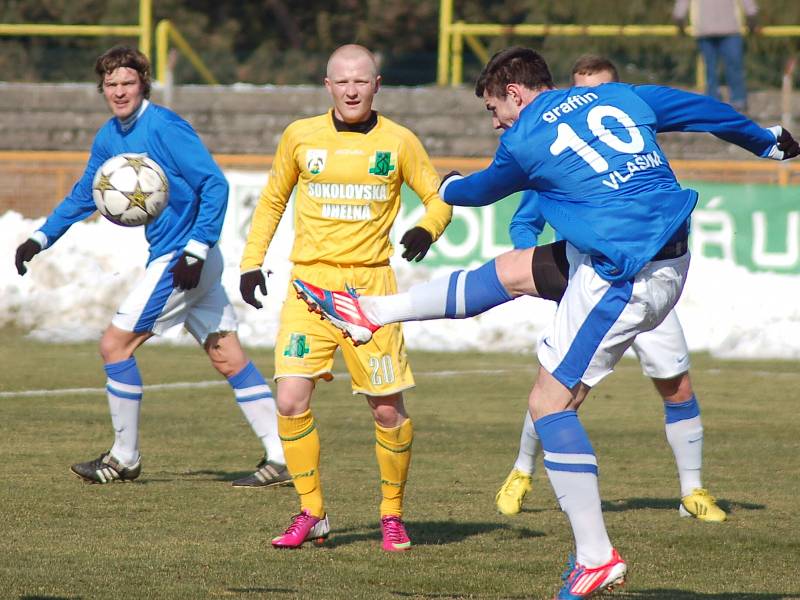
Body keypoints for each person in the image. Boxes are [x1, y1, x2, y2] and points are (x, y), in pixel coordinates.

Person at [293, 47, 797, 597]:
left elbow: (482, 191)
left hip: (623, 276)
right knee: (513, 271)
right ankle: (373, 312)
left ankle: (596, 556)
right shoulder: (615, 96)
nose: (495, 122)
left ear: (515, 92)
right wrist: (765, 139)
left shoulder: (526, 137)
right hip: (654, 253)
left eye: (493, 110)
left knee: (548, 404)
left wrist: (449, 186)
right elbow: (699, 109)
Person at [13, 46, 289, 489]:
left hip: (183, 258)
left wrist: (195, 251)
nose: (119, 92)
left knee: (114, 345)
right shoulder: (109, 136)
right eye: (111, 85)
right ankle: (282, 455)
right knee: (227, 356)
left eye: (127, 83)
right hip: (180, 257)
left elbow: (214, 184)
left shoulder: (165, 126)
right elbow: (87, 191)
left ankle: (124, 457)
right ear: (101, 89)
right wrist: (40, 237)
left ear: (143, 83)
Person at [238, 44, 452, 551]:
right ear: (327, 84)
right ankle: (312, 511)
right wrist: (252, 261)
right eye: (342, 81)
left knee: (385, 410)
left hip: (370, 293)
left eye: (362, 81)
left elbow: (440, 195)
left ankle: (392, 515)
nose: (352, 90)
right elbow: (273, 199)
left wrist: (427, 228)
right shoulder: (299, 136)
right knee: (289, 399)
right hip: (308, 288)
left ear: (377, 84)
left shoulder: (399, 141)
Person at [496, 54, 723, 524]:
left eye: (593, 91)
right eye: (577, 91)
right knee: (561, 392)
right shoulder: (556, 153)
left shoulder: (637, 151)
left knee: (677, 385)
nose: (585, 101)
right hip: (597, 286)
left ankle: (693, 491)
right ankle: (522, 471)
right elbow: (525, 220)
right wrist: (550, 272)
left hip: (650, 288)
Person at [673, 0, 758, 112]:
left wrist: (751, 13)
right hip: (707, 32)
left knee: (729, 68)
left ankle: (736, 102)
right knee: (713, 69)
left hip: (729, 30)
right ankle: (718, 103)